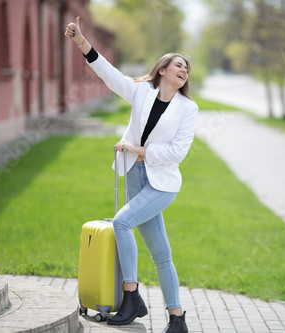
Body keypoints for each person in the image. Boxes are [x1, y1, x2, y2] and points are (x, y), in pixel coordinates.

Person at [65, 17, 197, 333]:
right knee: (162, 255)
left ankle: (131, 296)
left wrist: (136, 150)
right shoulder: (140, 91)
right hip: (134, 176)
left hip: (162, 184)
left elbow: (177, 153)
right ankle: (177, 319)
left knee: (122, 223)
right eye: (179, 65)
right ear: (163, 69)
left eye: (187, 69)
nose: (184, 71)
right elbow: (108, 74)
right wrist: (81, 41)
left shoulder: (187, 109)